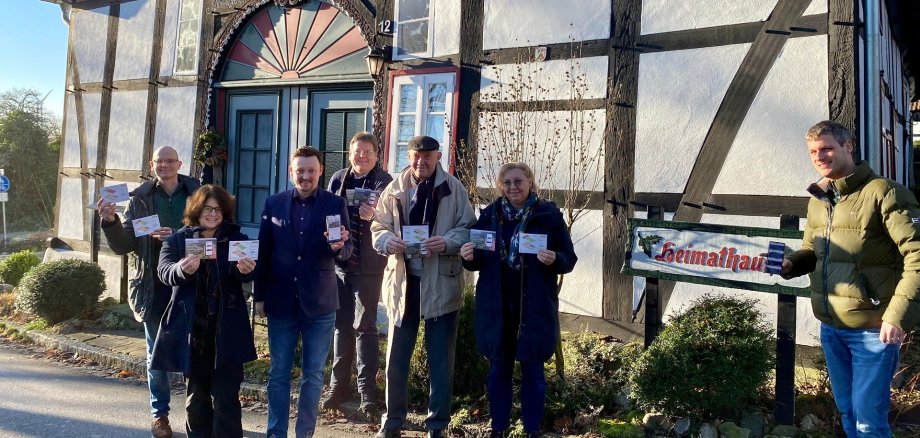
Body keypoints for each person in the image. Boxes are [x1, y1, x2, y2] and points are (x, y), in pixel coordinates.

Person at [782, 120, 920, 437]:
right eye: (813, 151)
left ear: (848, 147)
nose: (820, 156)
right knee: (848, 414)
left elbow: (917, 255)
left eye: (827, 148)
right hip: (831, 328)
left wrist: (897, 316)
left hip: (874, 329)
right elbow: (812, 249)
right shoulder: (819, 198)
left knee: (869, 422)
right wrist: (791, 264)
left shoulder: (884, 193)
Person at [459, 162, 577, 438]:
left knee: (533, 372)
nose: (513, 187)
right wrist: (468, 256)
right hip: (497, 307)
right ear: (501, 186)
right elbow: (478, 261)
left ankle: (532, 431)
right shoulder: (489, 216)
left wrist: (554, 258)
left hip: (532, 307)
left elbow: (568, 259)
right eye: (508, 183)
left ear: (530, 183)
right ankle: (498, 429)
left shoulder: (547, 216)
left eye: (518, 182)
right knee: (498, 370)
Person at [371, 135, 477, 438]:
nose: (421, 162)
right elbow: (377, 227)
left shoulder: (454, 189)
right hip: (403, 285)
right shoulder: (394, 189)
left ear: (438, 157)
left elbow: (468, 228)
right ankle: (392, 421)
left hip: (441, 284)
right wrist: (386, 241)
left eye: (428, 157)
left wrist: (446, 242)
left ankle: (437, 426)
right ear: (409, 156)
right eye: (416, 157)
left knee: (441, 362)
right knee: (396, 359)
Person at [97, 145, 199, 438]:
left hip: (189, 284)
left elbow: (210, 229)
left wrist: (178, 236)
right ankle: (160, 416)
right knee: (157, 355)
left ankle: (197, 413)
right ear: (152, 164)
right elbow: (123, 244)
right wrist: (110, 221)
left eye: (170, 161)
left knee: (194, 351)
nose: (165, 165)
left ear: (179, 164)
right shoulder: (138, 199)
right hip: (152, 287)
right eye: (160, 161)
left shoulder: (198, 193)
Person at [254, 146, 353, 438]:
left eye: (311, 170)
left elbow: (346, 249)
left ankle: (305, 433)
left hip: (319, 302)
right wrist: (259, 296)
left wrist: (338, 248)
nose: (306, 176)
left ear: (320, 170)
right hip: (280, 301)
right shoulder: (273, 203)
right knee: (278, 374)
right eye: (300, 171)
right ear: (291, 172)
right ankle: (276, 432)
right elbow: (264, 252)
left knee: (312, 375)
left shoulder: (335, 204)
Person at [152, 185, 257, 438]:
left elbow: (250, 271)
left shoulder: (236, 239)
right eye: (208, 208)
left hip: (227, 330)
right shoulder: (178, 239)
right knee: (196, 397)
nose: (213, 213)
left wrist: (247, 269)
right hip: (193, 331)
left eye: (219, 209)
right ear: (197, 209)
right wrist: (181, 270)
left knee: (227, 396)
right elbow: (164, 272)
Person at [323, 132, 393, 413]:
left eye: (367, 152)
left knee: (364, 327)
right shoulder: (339, 178)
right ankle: (338, 386)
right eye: (356, 151)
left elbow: (392, 219)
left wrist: (374, 215)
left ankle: (367, 391)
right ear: (349, 154)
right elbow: (328, 212)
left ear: (377, 155)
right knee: (341, 326)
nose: (361, 156)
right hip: (340, 263)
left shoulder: (384, 181)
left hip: (369, 265)